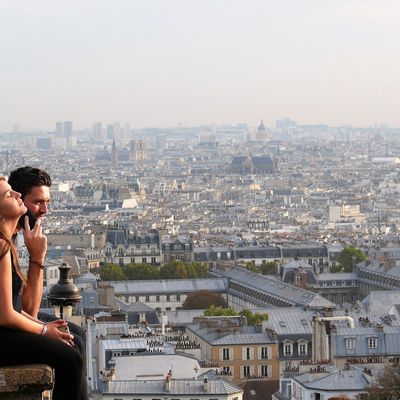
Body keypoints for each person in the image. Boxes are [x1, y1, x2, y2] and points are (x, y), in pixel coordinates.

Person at [8, 166, 88, 400]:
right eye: (38, 202)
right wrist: (37, 258)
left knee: (77, 334)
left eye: (47, 202)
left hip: (13, 319)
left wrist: (37, 257)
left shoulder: (13, 235)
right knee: (70, 351)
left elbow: (24, 308)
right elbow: (20, 311)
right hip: (6, 327)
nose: (44, 210)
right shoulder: (5, 240)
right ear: (18, 200)